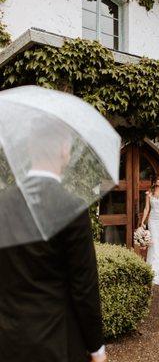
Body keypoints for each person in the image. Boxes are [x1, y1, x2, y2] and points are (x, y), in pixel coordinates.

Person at [0, 120, 107, 362]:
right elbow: (84, 287)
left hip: (7, 343)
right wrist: (96, 348)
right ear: (64, 151)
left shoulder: (2, 205)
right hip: (56, 343)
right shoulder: (71, 208)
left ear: (29, 149)